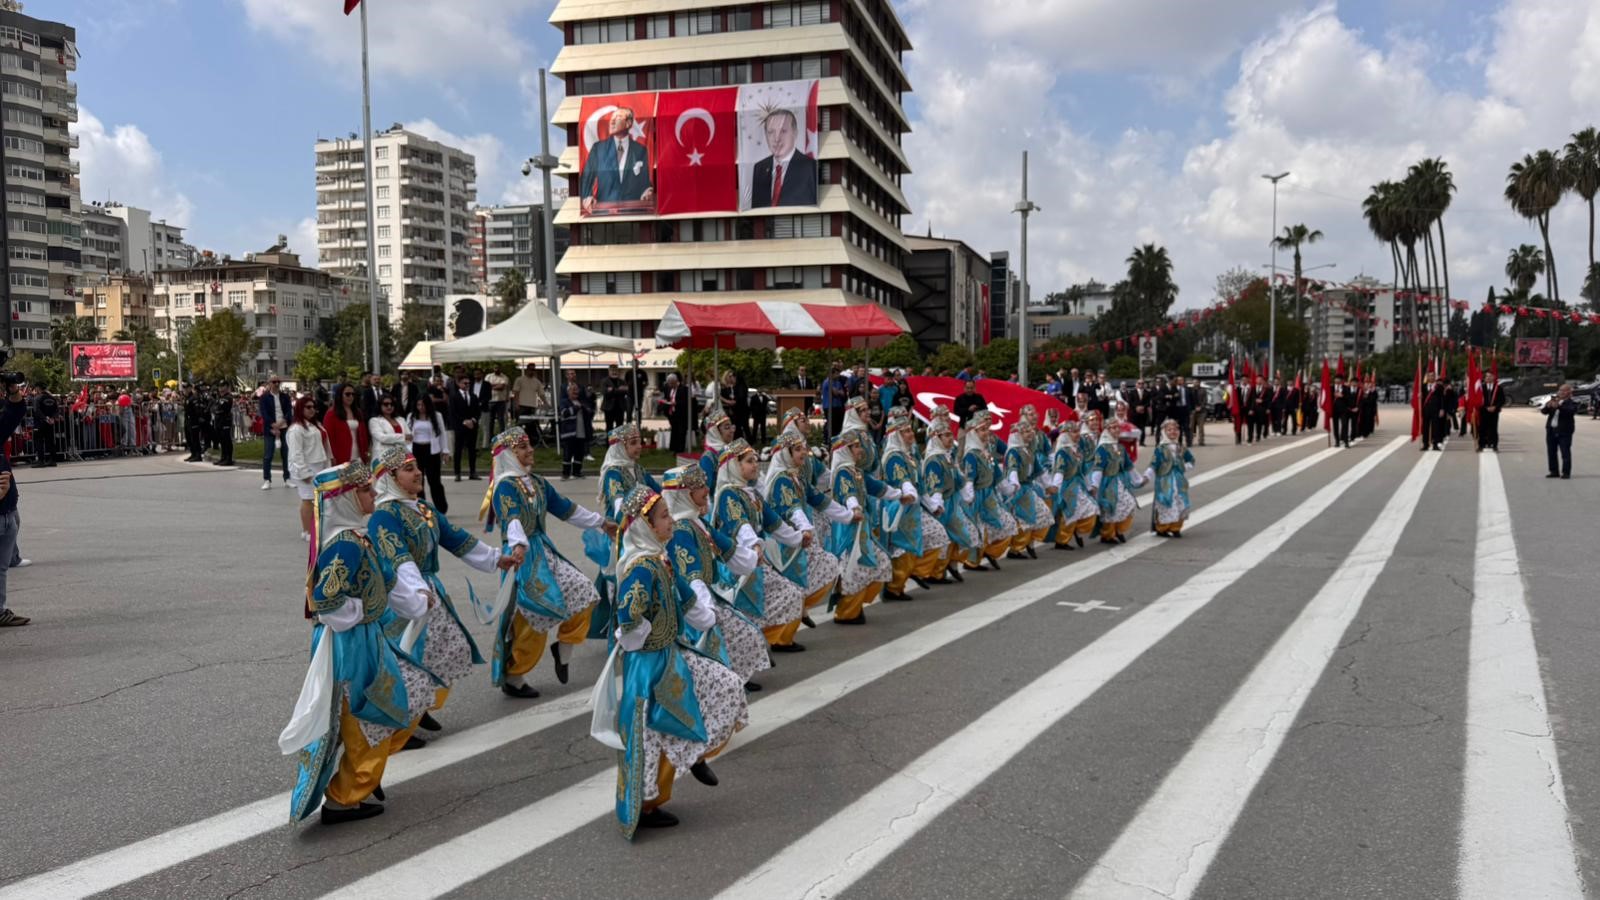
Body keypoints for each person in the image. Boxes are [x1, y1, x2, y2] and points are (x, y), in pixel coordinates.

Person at [284, 461, 439, 825]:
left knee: (401, 695)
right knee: (366, 715)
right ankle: (345, 796)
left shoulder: (359, 535)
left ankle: (363, 780)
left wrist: (417, 601)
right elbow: (325, 600)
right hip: (350, 642)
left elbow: (385, 582)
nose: (373, 494)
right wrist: (360, 612)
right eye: (366, 490)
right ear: (348, 498)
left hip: (366, 636)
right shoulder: (345, 545)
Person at [608, 484, 746, 837]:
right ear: (646, 526)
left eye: (669, 514)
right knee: (651, 732)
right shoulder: (641, 567)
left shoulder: (660, 560)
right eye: (664, 516)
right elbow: (627, 615)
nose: (671, 520)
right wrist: (641, 635)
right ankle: (648, 803)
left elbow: (685, 597)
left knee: (725, 685)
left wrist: (707, 618)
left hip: (672, 654)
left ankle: (697, 753)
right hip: (650, 666)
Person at [367, 447, 513, 735]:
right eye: (409, 469)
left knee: (445, 651)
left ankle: (418, 710)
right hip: (404, 596)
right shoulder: (383, 515)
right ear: (390, 478)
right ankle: (397, 727)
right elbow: (398, 559)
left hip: (428, 591)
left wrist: (497, 558)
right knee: (406, 661)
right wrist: (420, 593)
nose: (418, 472)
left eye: (417, 467)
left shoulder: (424, 509)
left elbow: (457, 539)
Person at [484, 426, 609, 698]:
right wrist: (518, 544)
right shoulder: (504, 486)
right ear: (508, 454)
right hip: (523, 556)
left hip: (544, 551)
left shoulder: (538, 482)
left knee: (585, 592)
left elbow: (566, 509)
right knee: (533, 615)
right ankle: (514, 675)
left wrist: (601, 523)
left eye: (529, 445)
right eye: (523, 447)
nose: (530, 450)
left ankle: (562, 650)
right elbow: (512, 518)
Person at [665, 464, 772, 691]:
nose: (706, 489)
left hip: (706, 594)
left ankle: (736, 677)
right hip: (692, 602)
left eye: (705, 484)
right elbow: (691, 575)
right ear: (685, 493)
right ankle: (718, 684)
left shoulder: (695, 521)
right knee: (724, 636)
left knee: (745, 631)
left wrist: (752, 556)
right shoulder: (681, 529)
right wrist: (706, 608)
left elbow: (727, 547)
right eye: (700, 486)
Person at [711, 438, 808, 643]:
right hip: (736, 564)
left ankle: (762, 642)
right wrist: (754, 545)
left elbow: (775, 523)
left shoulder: (752, 493)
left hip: (754, 559)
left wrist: (799, 537)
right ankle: (756, 644)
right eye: (749, 461)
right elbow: (740, 524)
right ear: (734, 466)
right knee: (745, 612)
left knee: (788, 595)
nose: (755, 465)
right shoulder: (728, 494)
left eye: (755, 460)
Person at [762, 430, 846, 633]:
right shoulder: (782, 479)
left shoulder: (795, 477)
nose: (804, 453)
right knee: (796, 585)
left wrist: (847, 514)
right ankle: (781, 631)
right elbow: (792, 508)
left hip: (798, 539)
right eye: (798, 449)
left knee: (824, 569)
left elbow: (818, 498)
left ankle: (792, 618)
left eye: (804, 449)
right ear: (785, 453)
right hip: (786, 542)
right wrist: (806, 530)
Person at [824, 431, 898, 624]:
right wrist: (854, 509)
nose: (860, 450)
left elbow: (877, 488)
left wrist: (899, 494)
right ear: (845, 450)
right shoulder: (843, 472)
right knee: (852, 567)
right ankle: (846, 611)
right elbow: (848, 494)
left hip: (861, 528)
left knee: (880, 563)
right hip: (849, 527)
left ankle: (853, 606)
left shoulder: (856, 471)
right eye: (855, 447)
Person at [881, 410, 948, 600]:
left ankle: (914, 573)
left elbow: (920, 485)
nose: (911, 434)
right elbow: (903, 480)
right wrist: (909, 492)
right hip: (899, 508)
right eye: (906, 432)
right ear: (896, 435)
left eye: (911, 431)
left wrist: (933, 505)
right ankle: (894, 587)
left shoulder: (909, 455)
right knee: (904, 546)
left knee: (937, 534)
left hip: (913, 507)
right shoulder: (894, 456)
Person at [920, 408, 977, 578]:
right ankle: (936, 573)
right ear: (936, 438)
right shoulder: (934, 460)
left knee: (964, 533)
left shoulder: (947, 455)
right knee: (943, 537)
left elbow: (956, 476)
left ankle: (951, 565)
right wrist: (937, 504)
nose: (951, 438)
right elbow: (933, 485)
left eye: (951, 435)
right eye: (946, 436)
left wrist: (966, 491)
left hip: (952, 501)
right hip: (941, 504)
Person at [960, 409, 1016, 570]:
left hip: (989, 496)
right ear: (973, 433)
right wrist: (969, 499)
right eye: (982, 430)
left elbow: (997, 474)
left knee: (1006, 523)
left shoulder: (985, 452)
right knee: (978, 528)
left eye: (987, 429)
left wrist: (1008, 488)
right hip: (977, 498)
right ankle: (972, 561)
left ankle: (987, 552)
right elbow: (969, 479)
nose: (987, 433)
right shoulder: (971, 454)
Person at [579, 107, 654, 211]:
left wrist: (647, 191)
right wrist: (587, 197)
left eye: (618, 118)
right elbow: (587, 177)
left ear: (628, 123)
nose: (612, 121)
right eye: (611, 118)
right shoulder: (598, 149)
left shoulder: (640, 150)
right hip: (605, 213)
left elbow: (644, 182)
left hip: (633, 212)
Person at [1091, 409, 1143, 544]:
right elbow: (1098, 469)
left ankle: (1119, 530)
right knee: (1111, 508)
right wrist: (1094, 486)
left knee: (1129, 504)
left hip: (1120, 481)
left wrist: (1139, 480)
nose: (1116, 430)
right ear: (1107, 430)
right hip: (1108, 483)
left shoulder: (1120, 447)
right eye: (1113, 428)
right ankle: (1107, 534)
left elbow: (1128, 465)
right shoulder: (1102, 448)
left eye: (1117, 427)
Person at [0, 381, 28, 626]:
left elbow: (15, 412)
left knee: (1, 568)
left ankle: (0, 610)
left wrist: (12, 390)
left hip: (7, 508)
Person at [750, 109, 818, 208]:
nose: (776, 138)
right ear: (765, 135)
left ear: (795, 133)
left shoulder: (810, 167)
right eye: (771, 132)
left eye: (783, 131)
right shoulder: (759, 168)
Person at [287, 397, 333, 540]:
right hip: (306, 467)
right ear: (300, 409)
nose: (312, 409)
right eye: (308, 407)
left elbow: (324, 444)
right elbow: (296, 453)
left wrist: (329, 461)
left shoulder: (316, 425)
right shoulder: (296, 429)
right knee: (307, 499)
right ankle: (306, 531)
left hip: (320, 464)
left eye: (313, 406)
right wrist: (304, 472)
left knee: (318, 499)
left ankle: (317, 527)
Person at [1050, 418, 1098, 550]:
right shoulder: (1062, 452)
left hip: (1079, 485)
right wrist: (1055, 486)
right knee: (1069, 512)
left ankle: (1076, 529)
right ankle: (1061, 540)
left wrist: (1090, 486)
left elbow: (1083, 472)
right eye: (1074, 432)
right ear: (1066, 434)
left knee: (1091, 510)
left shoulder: (1077, 451)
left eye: (1078, 431)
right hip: (1067, 487)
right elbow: (1059, 471)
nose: (1078, 434)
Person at [1145, 419, 1195, 537]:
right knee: (1166, 502)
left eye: (1175, 429)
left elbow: (1191, 461)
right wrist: (1147, 476)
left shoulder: (1181, 448)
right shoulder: (1160, 449)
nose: (1173, 432)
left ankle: (1175, 527)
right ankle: (1162, 528)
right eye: (1169, 430)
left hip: (1179, 481)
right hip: (1164, 481)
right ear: (1164, 432)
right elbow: (1153, 464)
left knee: (1180, 502)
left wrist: (1184, 467)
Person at [409, 394, 450, 513]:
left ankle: (441, 508)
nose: (421, 407)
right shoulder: (411, 416)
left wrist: (445, 450)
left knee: (435, 481)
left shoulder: (437, 416)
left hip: (432, 451)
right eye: (418, 405)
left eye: (423, 404)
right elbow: (407, 434)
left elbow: (442, 433)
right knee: (418, 481)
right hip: (416, 450)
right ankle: (421, 507)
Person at [259, 377, 293, 489]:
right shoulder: (264, 398)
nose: (277, 384)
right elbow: (264, 414)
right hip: (270, 429)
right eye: (274, 382)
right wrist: (273, 425)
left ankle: (287, 478)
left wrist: (282, 423)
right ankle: (267, 479)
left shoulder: (285, 397)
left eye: (278, 382)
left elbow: (289, 412)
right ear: (269, 383)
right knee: (268, 454)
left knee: (285, 454)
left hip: (283, 427)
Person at [324, 383, 370, 465]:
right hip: (341, 455)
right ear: (340, 395)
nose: (351, 397)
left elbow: (363, 434)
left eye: (353, 394)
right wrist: (331, 457)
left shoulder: (358, 412)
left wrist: (366, 452)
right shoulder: (331, 414)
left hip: (359, 454)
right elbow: (328, 438)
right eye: (347, 394)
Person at [447, 375, 481, 481]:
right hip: (460, 426)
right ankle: (457, 473)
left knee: (472, 450)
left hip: (472, 426)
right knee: (458, 450)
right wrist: (464, 421)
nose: (467, 385)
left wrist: (473, 420)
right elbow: (453, 412)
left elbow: (477, 411)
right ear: (459, 384)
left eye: (469, 383)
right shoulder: (454, 397)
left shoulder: (474, 396)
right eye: (465, 383)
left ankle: (473, 472)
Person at [558, 382, 593, 480]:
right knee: (568, 453)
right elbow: (564, 413)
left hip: (581, 431)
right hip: (569, 433)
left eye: (576, 389)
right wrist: (576, 408)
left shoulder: (582, 401)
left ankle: (577, 472)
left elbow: (590, 412)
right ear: (568, 391)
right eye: (573, 389)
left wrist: (586, 409)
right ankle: (565, 473)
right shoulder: (564, 402)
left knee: (579, 453)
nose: (575, 391)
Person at [1543, 383, 1577, 479]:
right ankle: (1554, 471)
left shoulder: (1571, 402)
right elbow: (1544, 412)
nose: (1560, 392)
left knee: (1565, 452)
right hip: (1551, 430)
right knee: (1551, 451)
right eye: (1560, 390)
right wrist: (1548, 406)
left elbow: (1570, 412)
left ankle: (1566, 472)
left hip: (1564, 431)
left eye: (1563, 390)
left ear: (1569, 392)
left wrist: (1558, 406)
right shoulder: (1554, 400)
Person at [700, 406, 736, 491]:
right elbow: (705, 490)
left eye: (732, 426)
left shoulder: (732, 451)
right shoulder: (708, 457)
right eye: (727, 427)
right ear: (715, 432)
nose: (732, 430)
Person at [660, 373, 691, 453]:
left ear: (675, 381)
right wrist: (665, 402)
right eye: (669, 383)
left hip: (681, 413)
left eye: (671, 383)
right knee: (674, 431)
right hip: (672, 413)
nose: (670, 385)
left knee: (681, 432)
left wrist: (676, 403)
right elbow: (667, 397)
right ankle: (673, 448)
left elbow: (686, 402)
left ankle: (680, 449)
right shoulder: (668, 389)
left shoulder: (684, 389)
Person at [1478, 372, 1506, 452]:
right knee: (1482, 429)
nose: (1488, 378)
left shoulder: (1498, 388)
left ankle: (1495, 445)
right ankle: (1481, 445)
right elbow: (1478, 400)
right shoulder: (1481, 388)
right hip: (1484, 411)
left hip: (1494, 412)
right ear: (1484, 378)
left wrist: (1495, 407)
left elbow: (1502, 400)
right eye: (1487, 376)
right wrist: (1485, 408)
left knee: (1494, 429)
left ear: (1493, 377)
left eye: (1490, 376)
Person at [1420, 374, 1448, 451]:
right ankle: (1425, 444)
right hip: (1426, 409)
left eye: (1433, 376)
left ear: (1435, 378)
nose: (1431, 377)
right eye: (1429, 376)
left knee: (1436, 427)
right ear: (1427, 377)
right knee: (1425, 427)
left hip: (1436, 409)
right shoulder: (1423, 386)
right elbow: (1422, 399)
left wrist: (1442, 409)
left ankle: (1435, 444)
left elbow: (1442, 398)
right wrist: (1419, 396)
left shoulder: (1438, 387)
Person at [211, 385, 235, 467]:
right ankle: (223, 457)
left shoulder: (228, 397)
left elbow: (223, 408)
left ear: (226, 388)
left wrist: (217, 408)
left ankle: (228, 459)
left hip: (225, 421)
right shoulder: (219, 398)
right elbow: (214, 408)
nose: (221, 388)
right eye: (220, 387)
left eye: (223, 386)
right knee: (222, 440)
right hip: (219, 421)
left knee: (226, 440)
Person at [602, 365, 630, 435]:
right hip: (609, 407)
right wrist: (619, 389)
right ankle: (610, 444)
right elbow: (605, 393)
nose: (614, 372)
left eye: (615, 370)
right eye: (612, 370)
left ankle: (618, 444)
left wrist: (612, 390)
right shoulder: (604, 381)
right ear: (609, 371)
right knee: (609, 427)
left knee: (620, 427)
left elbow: (626, 391)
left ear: (618, 371)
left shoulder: (622, 381)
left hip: (620, 407)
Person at [485, 367, 509, 437]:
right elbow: (486, 386)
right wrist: (497, 385)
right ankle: (490, 437)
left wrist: (491, 386)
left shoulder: (504, 377)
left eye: (498, 368)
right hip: (490, 401)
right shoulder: (488, 376)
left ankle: (502, 436)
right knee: (490, 420)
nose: (496, 369)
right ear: (493, 369)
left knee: (501, 419)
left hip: (500, 401)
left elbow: (502, 387)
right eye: (495, 368)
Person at [1331, 376, 1354, 448]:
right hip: (1334, 410)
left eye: (1338, 379)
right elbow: (1327, 398)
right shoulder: (1331, 388)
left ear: (1341, 381)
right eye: (1336, 379)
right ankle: (1337, 441)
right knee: (1335, 426)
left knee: (1344, 425)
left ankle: (1346, 441)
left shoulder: (1346, 388)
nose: (1337, 380)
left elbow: (1349, 399)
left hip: (1343, 410)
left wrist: (1342, 396)